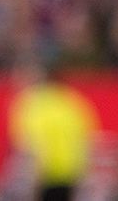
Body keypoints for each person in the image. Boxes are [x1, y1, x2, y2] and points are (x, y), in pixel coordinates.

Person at [8, 60, 99, 201]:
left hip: (43, 178)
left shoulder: (31, 104)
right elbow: (86, 142)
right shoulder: (72, 101)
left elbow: (32, 147)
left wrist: (30, 185)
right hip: (71, 177)